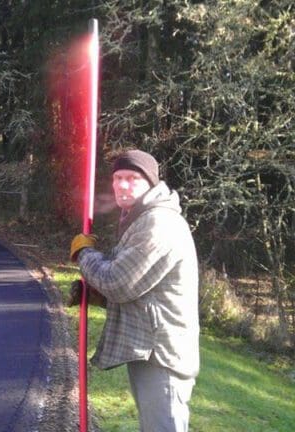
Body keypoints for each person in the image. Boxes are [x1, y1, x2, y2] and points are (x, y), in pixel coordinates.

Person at [68, 149, 199, 432]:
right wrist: (95, 294)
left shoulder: (159, 224)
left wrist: (84, 254)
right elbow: (141, 290)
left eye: (132, 178)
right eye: (117, 178)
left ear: (150, 183)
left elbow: (118, 282)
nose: (122, 185)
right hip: (150, 350)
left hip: (163, 357)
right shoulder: (139, 220)